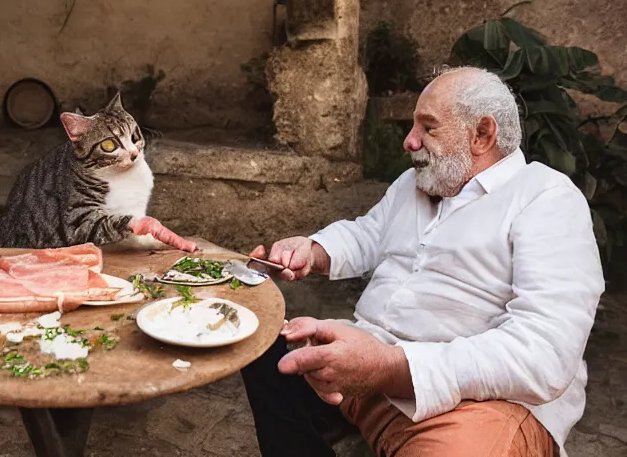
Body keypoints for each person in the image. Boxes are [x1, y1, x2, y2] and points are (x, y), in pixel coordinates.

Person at [241, 66, 604, 457]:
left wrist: (390, 367)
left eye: (427, 128)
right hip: (369, 363)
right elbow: (368, 233)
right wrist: (312, 251)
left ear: (482, 135)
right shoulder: (415, 183)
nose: (409, 141)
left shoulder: (546, 199)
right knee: (255, 343)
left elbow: (544, 353)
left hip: (475, 404)